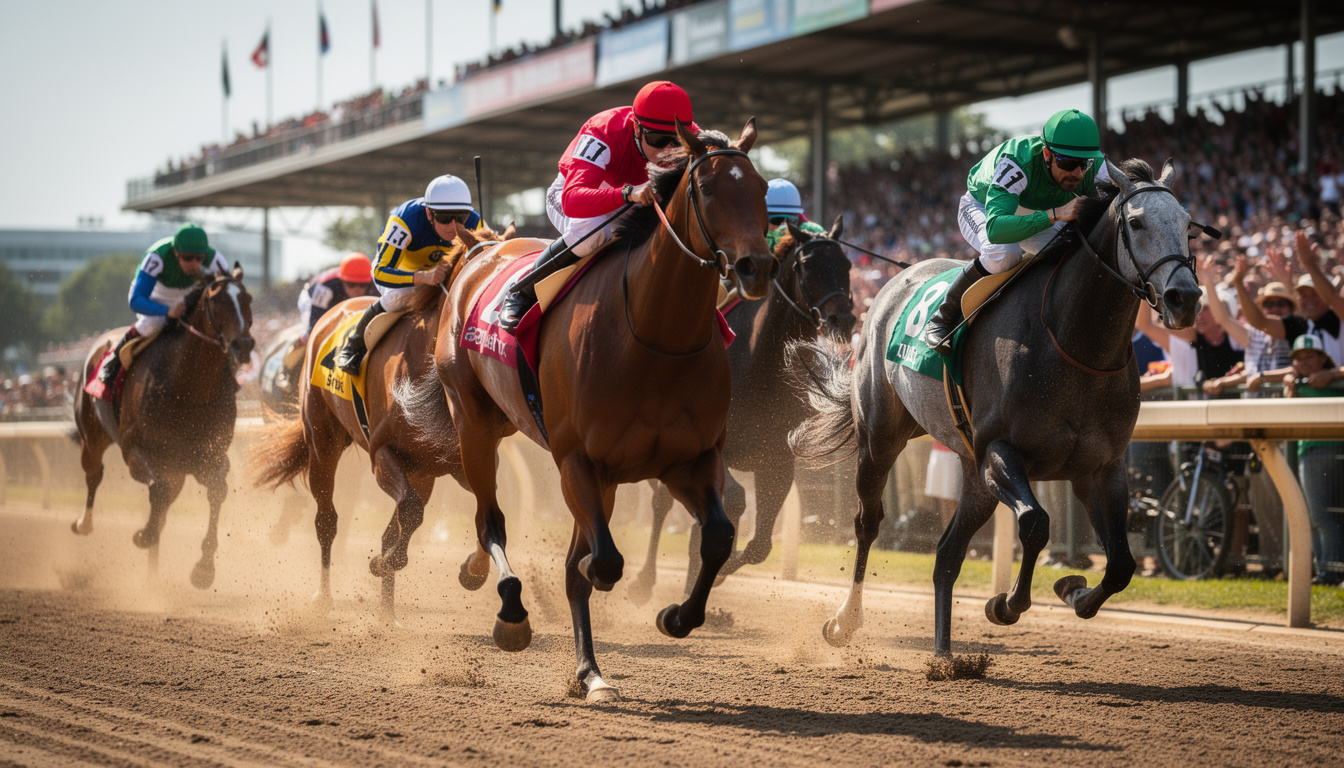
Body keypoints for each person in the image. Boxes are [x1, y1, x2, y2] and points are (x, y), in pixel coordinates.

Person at [497, 80, 699, 331]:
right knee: (591, 235)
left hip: (635, 200)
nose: (669, 151)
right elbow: (572, 201)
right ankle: (521, 292)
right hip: (576, 196)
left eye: (677, 141)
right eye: (658, 140)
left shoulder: (695, 139)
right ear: (636, 128)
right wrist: (627, 193)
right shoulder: (603, 132)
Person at [924, 108, 1113, 354]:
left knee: (1077, 248)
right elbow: (995, 229)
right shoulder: (1016, 162)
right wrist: (1054, 214)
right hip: (984, 208)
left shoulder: (1096, 166)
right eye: (1067, 163)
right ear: (1047, 154)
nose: (1077, 173)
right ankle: (942, 318)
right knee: (1004, 254)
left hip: (1036, 209)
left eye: (1083, 164)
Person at [336, 174, 481, 373]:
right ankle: (354, 345)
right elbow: (380, 273)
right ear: (429, 214)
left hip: (441, 271)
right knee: (399, 297)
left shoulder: (476, 222)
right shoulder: (405, 220)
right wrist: (423, 277)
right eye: (445, 218)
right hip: (401, 270)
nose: (453, 226)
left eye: (461, 218)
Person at [94, 223, 229, 388]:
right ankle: (113, 362)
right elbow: (136, 300)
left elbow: (229, 292)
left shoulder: (215, 258)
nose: (194, 263)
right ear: (176, 252)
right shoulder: (157, 256)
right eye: (187, 257)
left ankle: (229, 374)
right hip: (154, 296)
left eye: (199, 257)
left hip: (187, 297)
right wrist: (166, 311)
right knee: (152, 324)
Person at [1283, 333, 1344, 586]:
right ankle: (1328, 570)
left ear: (1322, 357)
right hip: (1309, 452)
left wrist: (1334, 375)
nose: (1304, 361)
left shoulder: (1335, 375)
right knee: (1321, 515)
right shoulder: (1296, 381)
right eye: (1299, 357)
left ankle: (1330, 571)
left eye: (1310, 355)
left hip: (1333, 453)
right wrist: (1289, 383)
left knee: (1326, 515)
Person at [297, 252, 375, 342]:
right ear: (342, 280)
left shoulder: (375, 285)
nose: (357, 289)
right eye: (351, 284)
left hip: (334, 303)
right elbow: (315, 320)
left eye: (363, 285)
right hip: (312, 300)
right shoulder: (326, 287)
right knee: (309, 335)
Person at [764, 178, 826, 252]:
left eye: (791, 220)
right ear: (762, 218)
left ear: (797, 215)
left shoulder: (814, 232)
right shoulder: (752, 239)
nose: (785, 227)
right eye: (777, 220)